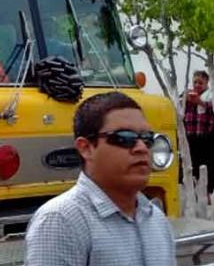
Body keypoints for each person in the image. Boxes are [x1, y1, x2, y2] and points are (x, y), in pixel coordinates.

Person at [25, 92, 175, 265]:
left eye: (147, 139)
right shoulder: (61, 220)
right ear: (86, 148)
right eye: (124, 138)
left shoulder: (156, 219)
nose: (141, 148)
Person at [184, 70, 214, 192]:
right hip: (191, 137)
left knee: (207, 167)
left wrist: (199, 102)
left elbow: (210, 109)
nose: (197, 85)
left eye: (200, 83)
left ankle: (206, 192)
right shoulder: (188, 95)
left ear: (207, 82)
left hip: (206, 138)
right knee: (192, 165)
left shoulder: (210, 96)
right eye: (195, 82)